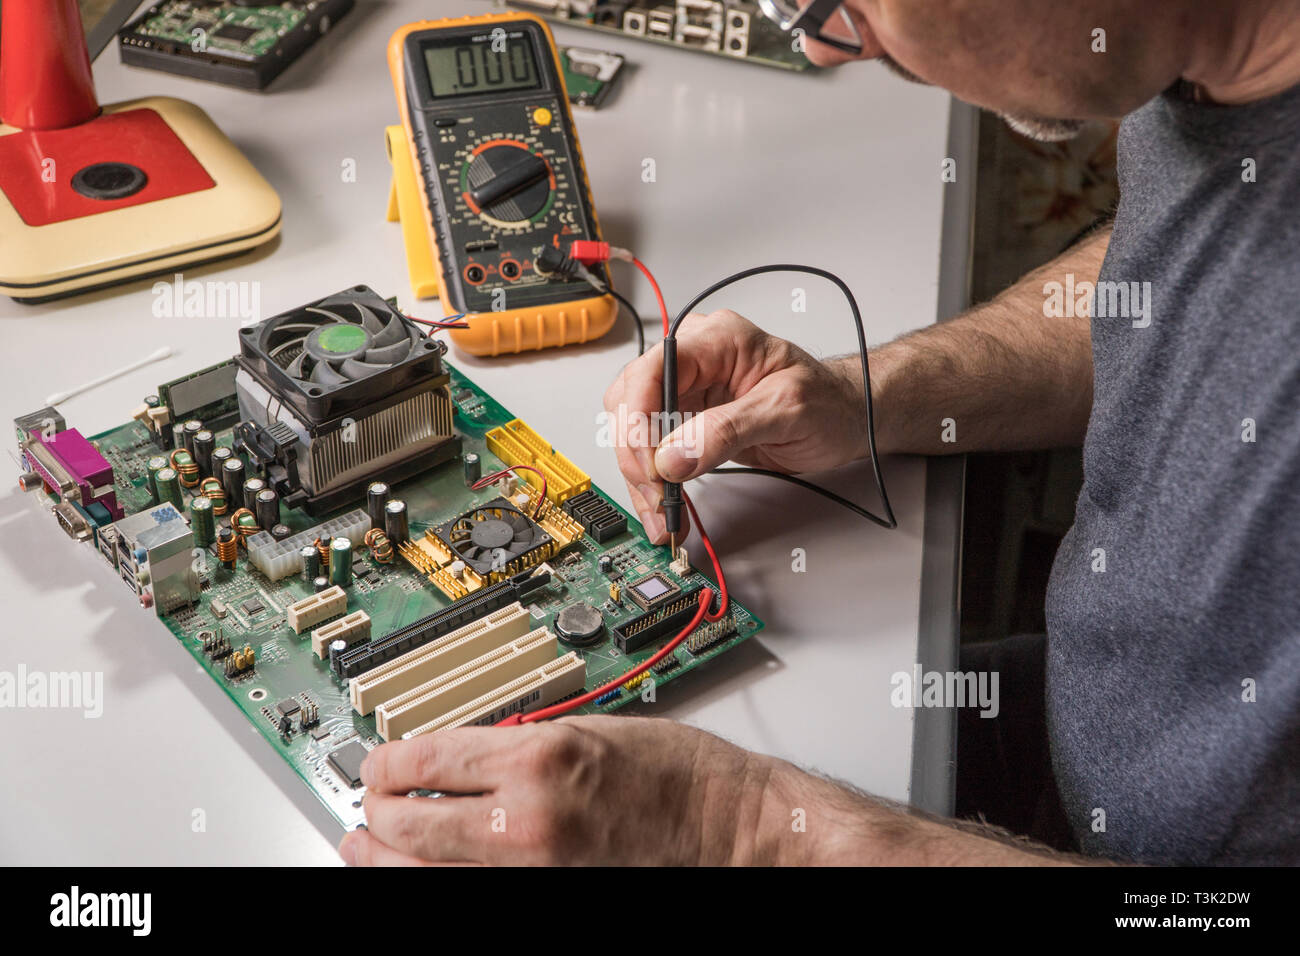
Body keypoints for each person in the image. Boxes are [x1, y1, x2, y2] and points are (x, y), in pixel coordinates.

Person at [338, 0, 1300, 865]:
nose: (822, 45)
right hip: (1078, 722)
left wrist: (740, 830)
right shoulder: (1221, 62)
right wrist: (865, 396)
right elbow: (1174, 269)